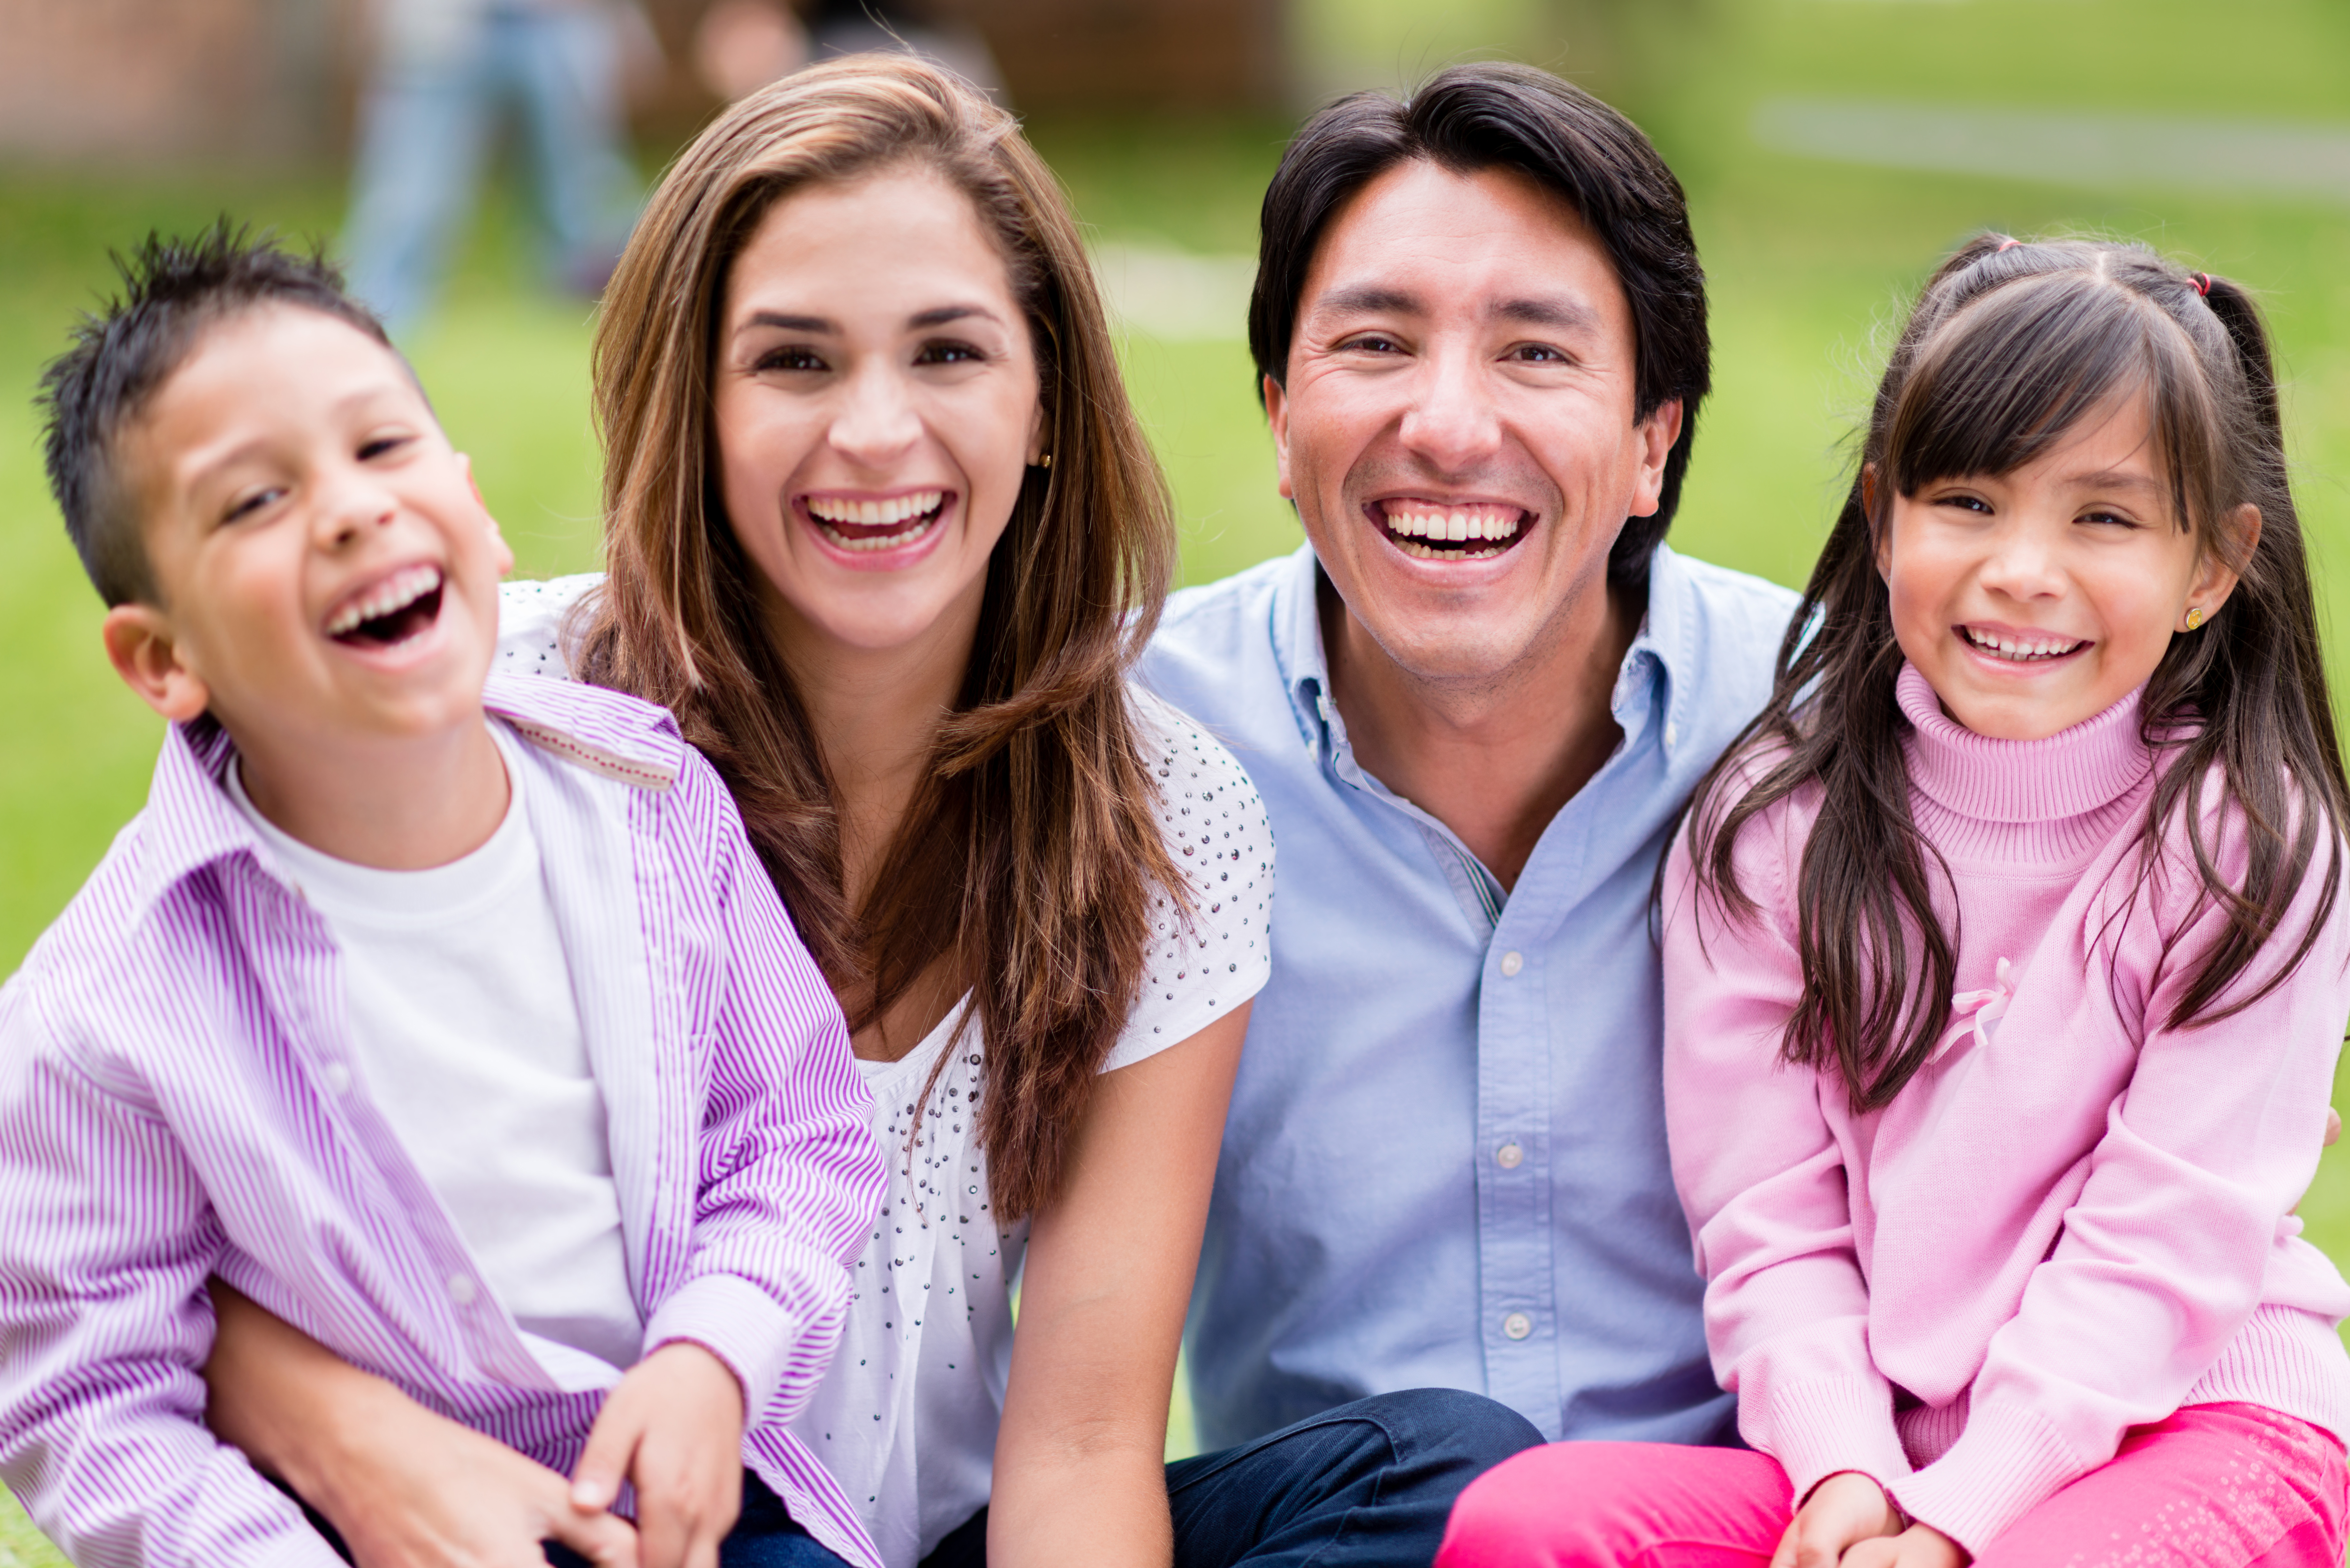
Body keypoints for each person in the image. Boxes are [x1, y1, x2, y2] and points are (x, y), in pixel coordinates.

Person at [196, 57, 1539, 1568]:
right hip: (592, 1519)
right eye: (793, 362)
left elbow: (1088, 1438)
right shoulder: (494, 718)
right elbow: (157, 1219)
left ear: (1042, 402)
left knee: (1445, 1475)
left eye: (948, 353)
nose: (875, 433)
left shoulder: (1162, 814)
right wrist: (379, 1461)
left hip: (935, 1536)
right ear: (690, 406)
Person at [1440, 237, 2350, 1566]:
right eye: (1969, 502)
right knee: (1532, 1526)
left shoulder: (2247, 845)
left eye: (2102, 517)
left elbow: (2163, 1252)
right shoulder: (1775, 829)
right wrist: (1849, 1472)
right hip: (1879, 1448)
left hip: (2196, 1422)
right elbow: (1767, 1216)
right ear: (1882, 521)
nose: (2022, 569)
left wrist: (1960, 1520)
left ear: (2211, 566)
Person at [1, 229, 885, 1566]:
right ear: (162, 657)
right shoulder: (103, 1016)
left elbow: (797, 1132)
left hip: (701, 1506)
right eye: (255, 502)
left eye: (382, 448)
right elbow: (92, 1396)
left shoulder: (650, 804)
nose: (353, 509)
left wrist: (717, 1353)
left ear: (469, 506)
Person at [1139, 64, 1801, 1454]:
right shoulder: (1127, 751)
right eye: (1374, 344)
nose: (1446, 426)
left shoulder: (1839, 729)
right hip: (1335, 1534)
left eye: (1536, 351)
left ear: (1650, 442)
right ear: (1276, 412)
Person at [342, 0, 645, 332]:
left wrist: (624, 21)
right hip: (443, 23)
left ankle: (622, 320)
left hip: (560, 20)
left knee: (588, 198)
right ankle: (375, 322)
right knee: (410, 197)